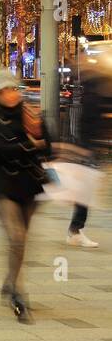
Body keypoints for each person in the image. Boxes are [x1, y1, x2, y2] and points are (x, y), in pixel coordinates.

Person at [0, 70, 49, 323]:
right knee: (16, 236)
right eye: (3, 91)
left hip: (30, 183)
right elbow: (2, 150)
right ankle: (18, 293)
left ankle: (11, 281)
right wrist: (30, 146)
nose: (10, 94)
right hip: (5, 183)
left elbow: (50, 144)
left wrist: (33, 146)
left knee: (21, 241)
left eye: (12, 89)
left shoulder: (32, 114)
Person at [66, 60, 108, 248]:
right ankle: (75, 230)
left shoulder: (92, 93)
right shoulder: (94, 95)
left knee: (84, 190)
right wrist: (85, 148)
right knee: (84, 191)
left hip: (88, 147)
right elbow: (86, 123)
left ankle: (75, 229)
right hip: (87, 148)